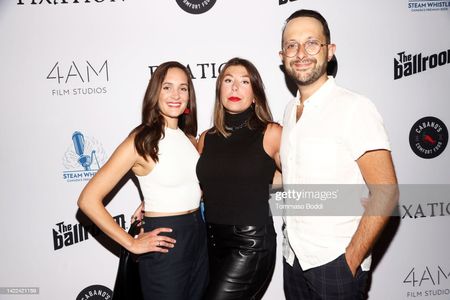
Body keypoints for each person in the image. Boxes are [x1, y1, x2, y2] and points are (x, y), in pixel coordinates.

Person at [279, 9, 398, 300]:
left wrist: (350, 260)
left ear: (329, 51)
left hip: (335, 264)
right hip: (293, 259)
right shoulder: (289, 112)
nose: (301, 53)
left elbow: (386, 191)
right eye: (292, 45)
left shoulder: (354, 108)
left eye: (311, 43)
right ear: (282, 56)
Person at [77, 61, 208, 300]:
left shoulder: (190, 139)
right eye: (167, 87)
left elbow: (191, 186)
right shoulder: (141, 141)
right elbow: (88, 199)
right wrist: (131, 243)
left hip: (198, 237)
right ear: (154, 92)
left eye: (183, 88)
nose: (176, 95)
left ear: (190, 96)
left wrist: (147, 201)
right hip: (166, 243)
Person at [196, 57, 282, 300]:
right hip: (212, 242)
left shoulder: (271, 133)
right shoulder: (206, 138)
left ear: (255, 94)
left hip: (251, 244)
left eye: (245, 81)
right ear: (219, 91)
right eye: (228, 80)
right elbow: (198, 187)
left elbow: (303, 174)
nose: (235, 87)